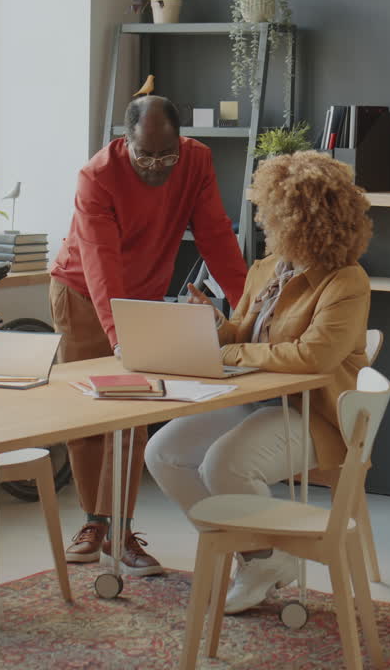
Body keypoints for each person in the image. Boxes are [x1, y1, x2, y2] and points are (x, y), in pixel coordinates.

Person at [145, 151, 373, 614]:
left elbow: (314, 357)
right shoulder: (267, 270)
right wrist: (211, 323)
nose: (266, 225)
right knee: (163, 453)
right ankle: (260, 556)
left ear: (301, 221)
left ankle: (262, 559)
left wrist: (228, 350)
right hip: (255, 399)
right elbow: (242, 331)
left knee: (222, 466)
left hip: (315, 414)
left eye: (272, 216)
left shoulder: (346, 282)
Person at [50, 95, 248, 576]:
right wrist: (121, 338)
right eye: (146, 156)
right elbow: (100, 263)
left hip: (141, 295)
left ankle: (121, 531)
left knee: (136, 412)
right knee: (91, 410)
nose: (157, 167)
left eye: (167, 155)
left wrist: (248, 306)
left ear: (180, 142)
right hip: (81, 292)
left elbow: (216, 235)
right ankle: (93, 523)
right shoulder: (96, 176)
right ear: (125, 140)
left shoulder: (196, 161)